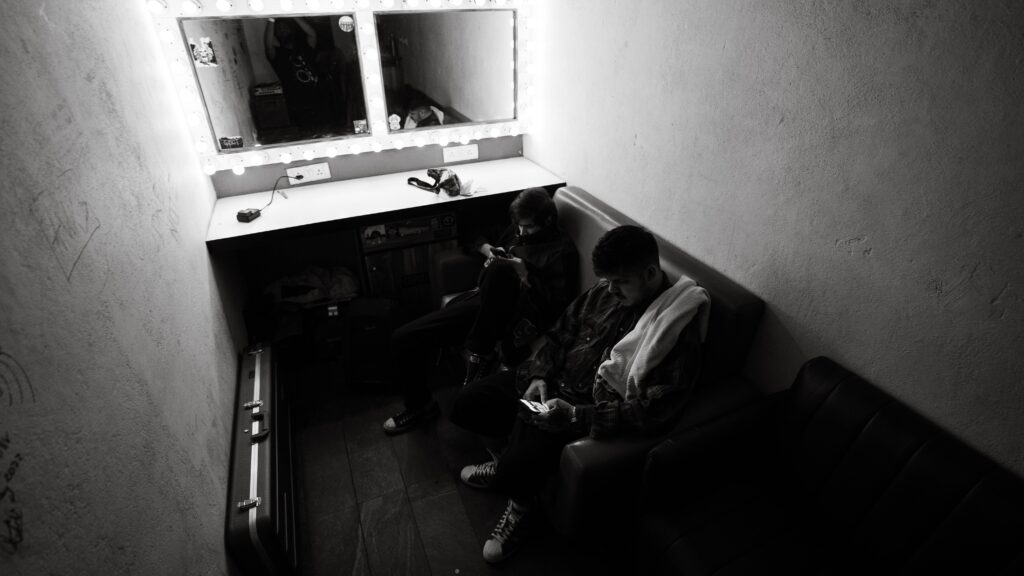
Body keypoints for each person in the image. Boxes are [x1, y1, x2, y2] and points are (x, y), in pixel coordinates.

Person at [449, 225, 710, 564]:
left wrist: (574, 415)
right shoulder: (602, 292)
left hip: (580, 410)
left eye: (621, 283)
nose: (611, 290)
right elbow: (558, 336)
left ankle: (520, 501)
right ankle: (513, 465)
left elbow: (657, 410)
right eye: (608, 281)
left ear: (649, 273)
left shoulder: (674, 327)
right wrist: (539, 376)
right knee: (466, 405)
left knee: (514, 469)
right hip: (551, 383)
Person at [381, 188, 579, 435]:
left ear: (548, 221)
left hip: (517, 316)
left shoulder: (562, 252)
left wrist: (524, 275)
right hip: (483, 305)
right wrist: (488, 249)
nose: (521, 233)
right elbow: (474, 236)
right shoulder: (518, 232)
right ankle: (420, 406)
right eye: (518, 226)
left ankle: (480, 352)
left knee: (500, 272)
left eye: (528, 227)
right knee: (404, 338)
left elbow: (559, 307)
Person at [264, 17, 331, 134]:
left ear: (291, 29)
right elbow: (267, 44)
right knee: (307, 134)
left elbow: (312, 34)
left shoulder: (305, 46)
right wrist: (271, 19)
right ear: (276, 34)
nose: (282, 30)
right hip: (298, 102)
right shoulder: (277, 54)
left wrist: (293, 15)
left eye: (285, 27)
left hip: (319, 96)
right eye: (279, 29)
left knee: (327, 131)